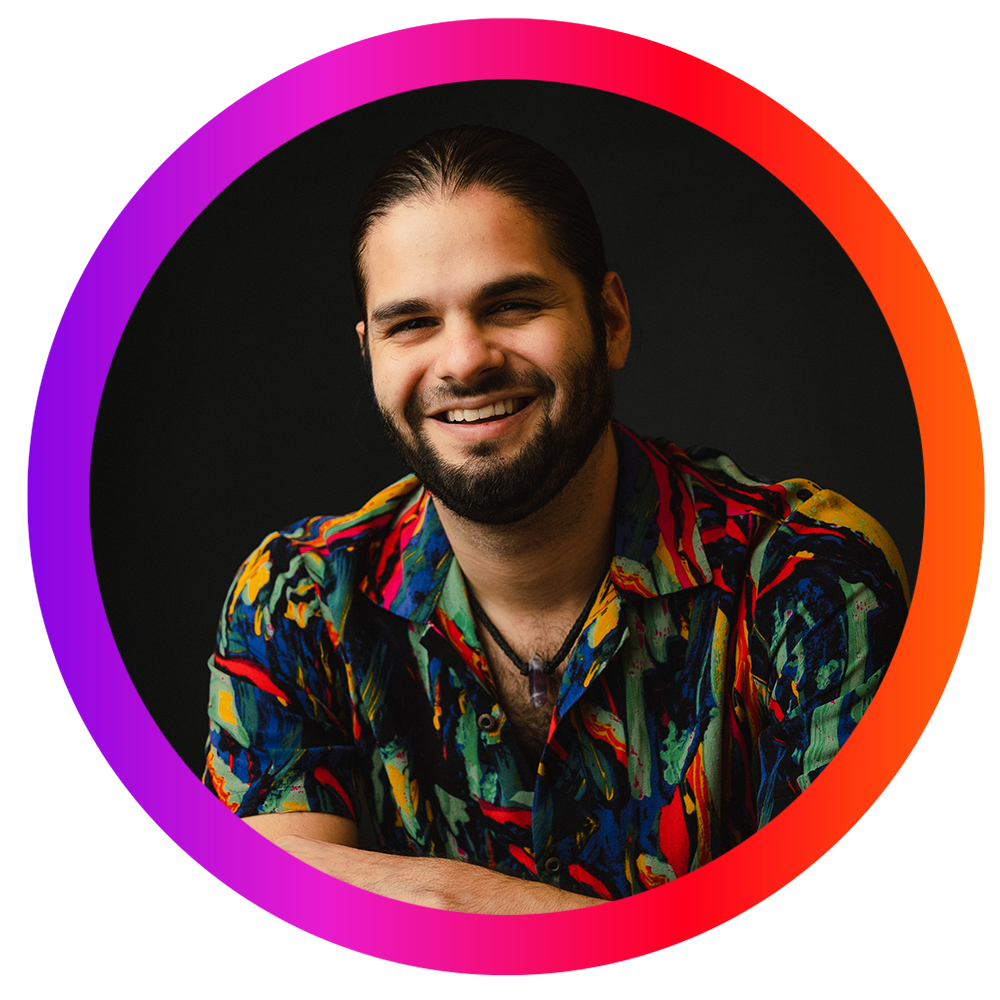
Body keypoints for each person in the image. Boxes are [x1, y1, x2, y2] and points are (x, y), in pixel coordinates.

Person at [203, 126, 909, 912]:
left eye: (510, 304)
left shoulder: (809, 583)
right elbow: (258, 919)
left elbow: (837, 951)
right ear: (370, 354)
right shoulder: (300, 598)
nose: (464, 360)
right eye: (412, 323)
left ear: (610, 320)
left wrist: (435, 908)